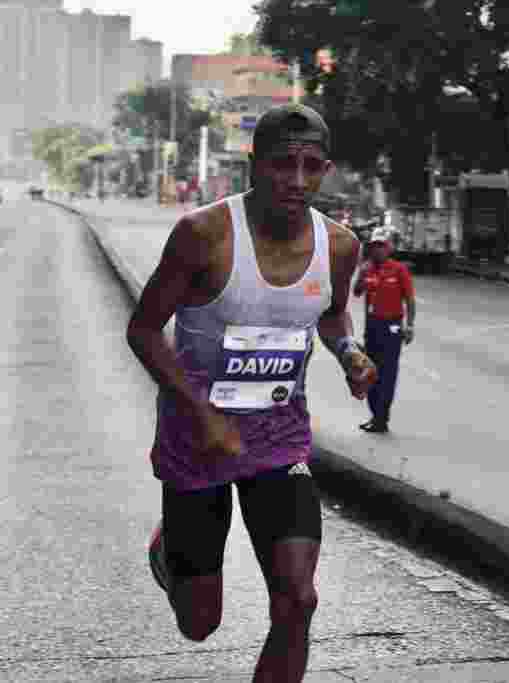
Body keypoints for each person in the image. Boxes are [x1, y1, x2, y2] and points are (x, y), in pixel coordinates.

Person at [126, 103, 377, 683]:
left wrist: (350, 353)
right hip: (198, 442)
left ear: (325, 169)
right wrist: (201, 412)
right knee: (199, 622)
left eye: (311, 166)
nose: (296, 180)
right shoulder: (203, 234)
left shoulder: (338, 246)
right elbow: (142, 329)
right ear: (254, 165)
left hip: (278, 441)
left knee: (298, 600)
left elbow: (333, 316)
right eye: (281, 164)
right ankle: (170, 551)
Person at [353, 227, 416, 433]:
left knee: (388, 374)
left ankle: (381, 418)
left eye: (381, 246)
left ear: (388, 248)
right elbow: (356, 293)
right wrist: (361, 275)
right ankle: (375, 415)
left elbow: (409, 300)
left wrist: (410, 326)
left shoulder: (399, 270)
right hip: (372, 327)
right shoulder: (367, 269)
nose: (377, 250)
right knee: (370, 371)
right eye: (374, 247)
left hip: (392, 327)